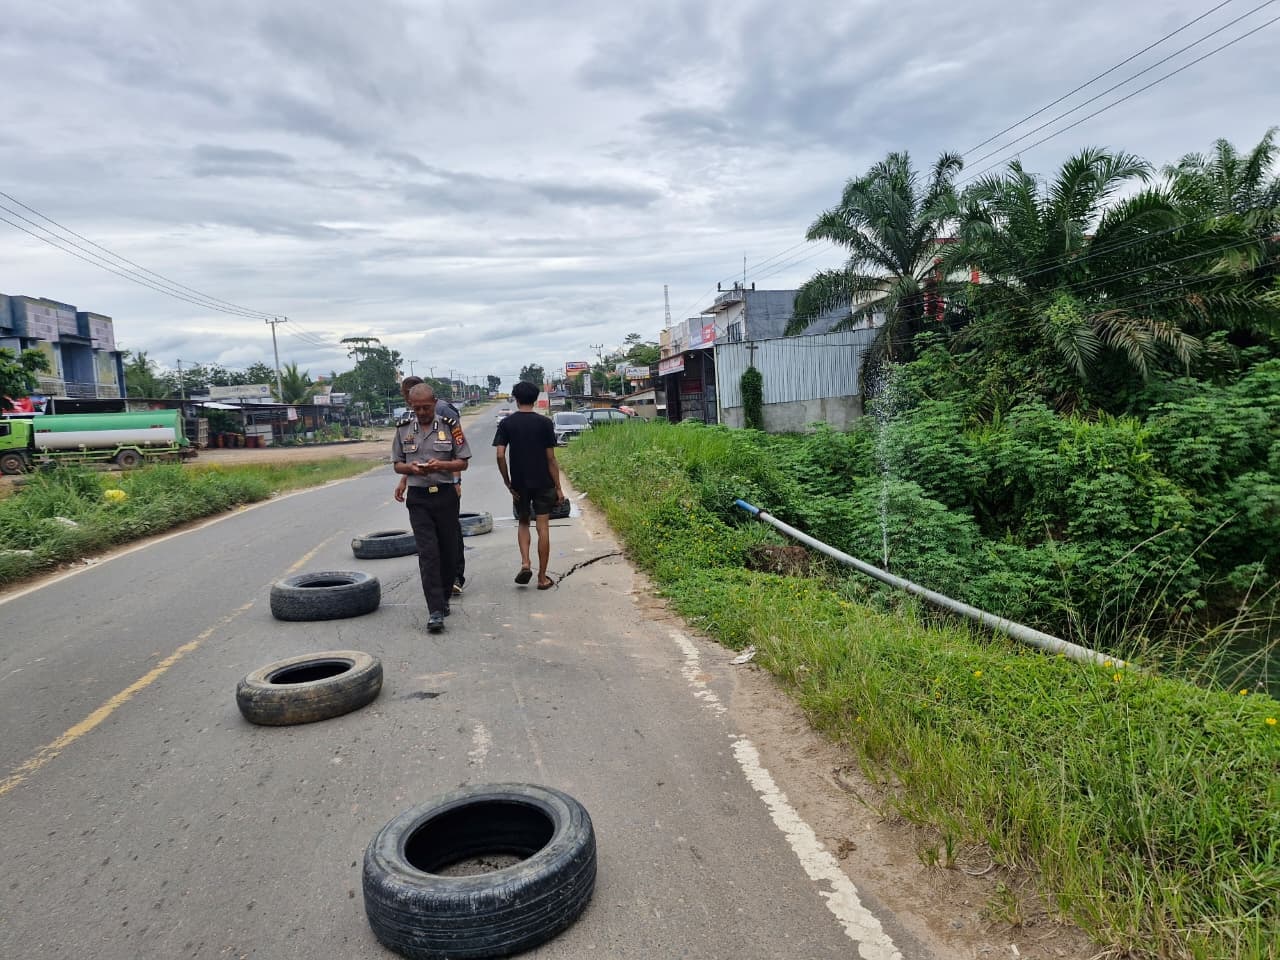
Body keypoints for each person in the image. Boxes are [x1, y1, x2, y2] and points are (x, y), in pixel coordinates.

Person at [392, 383, 471, 633]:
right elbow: (397, 464)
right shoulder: (403, 429)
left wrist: (442, 466)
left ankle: (444, 596)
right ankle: (435, 610)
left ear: (434, 403)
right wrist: (410, 469)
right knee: (428, 554)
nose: (422, 412)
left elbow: (463, 462)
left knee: (448, 551)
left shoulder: (450, 426)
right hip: (419, 499)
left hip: (445, 495)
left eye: (426, 407)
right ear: (411, 406)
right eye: (417, 408)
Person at [493, 380, 564, 590]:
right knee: (543, 527)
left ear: (516, 399)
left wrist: (507, 482)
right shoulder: (545, 423)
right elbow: (551, 458)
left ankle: (525, 563)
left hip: (520, 483)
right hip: (543, 482)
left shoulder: (506, 424)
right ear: (535, 399)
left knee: (524, 522)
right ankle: (542, 578)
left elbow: (499, 454)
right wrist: (558, 487)